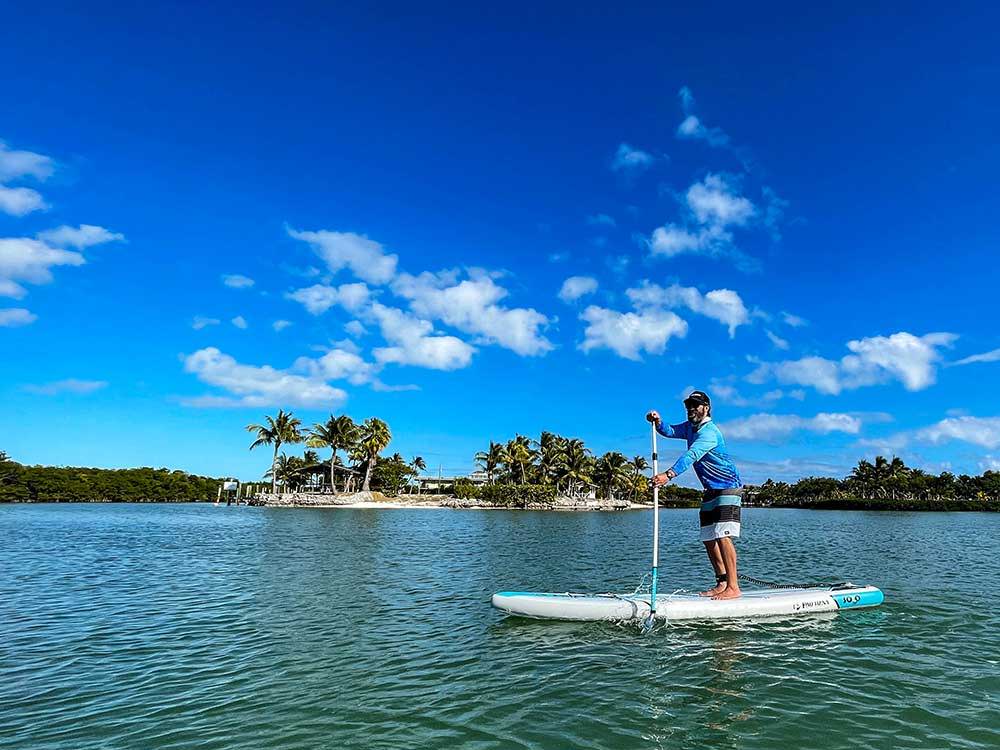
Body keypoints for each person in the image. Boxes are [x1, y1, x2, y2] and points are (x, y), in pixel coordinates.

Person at [645, 390, 744, 600]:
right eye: (689, 405)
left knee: (722, 534)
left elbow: (691, 455)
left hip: (727, 485)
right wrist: (658, 421)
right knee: (709, 537)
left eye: (696, 405)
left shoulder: (709, 432)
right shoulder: (690, 428)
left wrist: (668, 475)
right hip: (710, 489)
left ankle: (734, 587)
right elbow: (670, 431)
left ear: (706, 408)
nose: (691, 408)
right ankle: (722, 581)